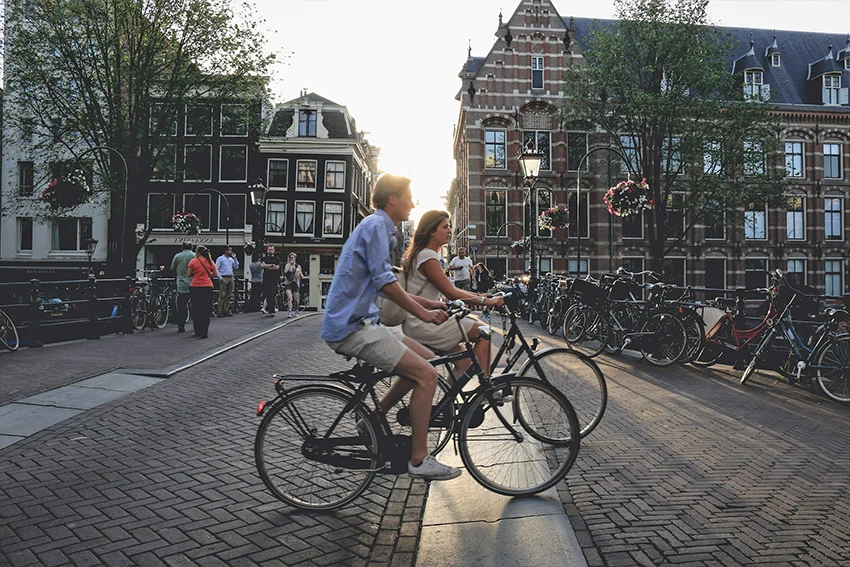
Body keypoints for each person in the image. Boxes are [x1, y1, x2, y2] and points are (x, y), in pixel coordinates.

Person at [321, 173, 458, 481]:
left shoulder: (382, 228)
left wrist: (431, 305)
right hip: (351, 327)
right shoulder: (377, 227)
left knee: (427, 360)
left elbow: (385, 282)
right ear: (393, 199)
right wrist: (422, 315)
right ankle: (420, 459)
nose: (413, 202)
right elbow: (385, 283)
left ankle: (372, 418)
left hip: (362, 322)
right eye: (408, 196)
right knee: (427, 374)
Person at [401, 211, 503, 380]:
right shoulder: (428, 256)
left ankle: (446, 406)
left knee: (464, 364)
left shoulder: (420, 254)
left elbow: (450, 289)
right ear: (432, 231)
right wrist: (487, 301)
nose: (450, 231)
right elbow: (451, 292)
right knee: (483, 332)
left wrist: (478, 295)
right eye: (445, 227)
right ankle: (486, 390)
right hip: (425, 322)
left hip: (419, 320)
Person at [187, 245, 218, 339]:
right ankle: (204, 332)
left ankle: (197, 330)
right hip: (207, 287)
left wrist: (196, 273)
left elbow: (188, 274)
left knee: (196, 309)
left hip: (195, 286)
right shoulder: (210, 261)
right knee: (206, 309)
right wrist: (208, 274)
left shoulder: (193, 261)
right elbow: (215, 275)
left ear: (198, 252)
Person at [170, 241, 195, 333]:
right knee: (195, 304)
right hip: (194, 284)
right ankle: (196, 323)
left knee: (182, 306)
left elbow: (172, 268)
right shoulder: (195, 256)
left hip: (181, 284)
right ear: (191, 247)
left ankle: (181, 326)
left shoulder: (177, 256)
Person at [215, 246, 239, 317]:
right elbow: (217, 268)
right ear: (226, 251)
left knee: (229, 295)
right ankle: (220, 311)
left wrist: (235, 258)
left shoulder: (231, 259)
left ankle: (226, 310)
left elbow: (236, 266)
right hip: (224, 276)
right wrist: (220, 278)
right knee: (222, 294)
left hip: (230, 277)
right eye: (230, 250)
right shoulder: (220, 259)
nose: (231, 252)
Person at [260, 245, 281, 317]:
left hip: (274, 279)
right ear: (267, 250)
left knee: (272, 294)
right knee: (267, 294)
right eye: (269, 249)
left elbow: (277, 267)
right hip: (266, 279)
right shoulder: (264, 258)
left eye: (272, 249)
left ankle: (271, 310)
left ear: (274, 250)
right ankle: (269, 309)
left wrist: (267, 266)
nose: (270, 251)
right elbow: (262, 266)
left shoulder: (277, 259)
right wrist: (272, 265)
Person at [283, 253, 303, 318]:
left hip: (295, 283)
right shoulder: (287, 265)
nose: (292, 259)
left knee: (296, 299)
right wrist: (289, 265)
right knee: (289, 298)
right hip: (288, 283)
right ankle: (290, 311)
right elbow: (285, 272)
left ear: (295, 258)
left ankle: (296, 310)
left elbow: (300, 274)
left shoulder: (298, 266)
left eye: (293, 258)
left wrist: (300, 275)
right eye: (291, 258)